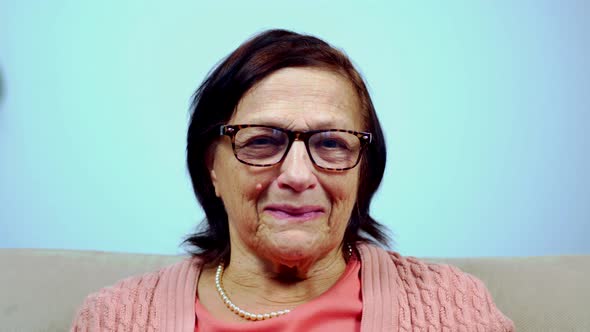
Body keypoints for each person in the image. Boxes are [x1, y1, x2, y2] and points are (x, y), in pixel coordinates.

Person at [71, 29, 514, 331]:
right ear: (211, 167)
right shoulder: (115, 317)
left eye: (332, 143)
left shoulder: (453, 306)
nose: (299, 175)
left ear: (364, 169)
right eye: (262, 141)